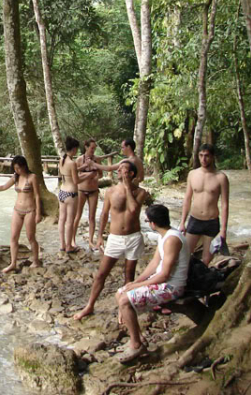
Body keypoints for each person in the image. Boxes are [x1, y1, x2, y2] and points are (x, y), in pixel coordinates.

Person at [73, 160, 149, 320]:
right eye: (119, 169)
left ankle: (124, 308)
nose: (119, 171)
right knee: (101, 274)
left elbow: (134, 210)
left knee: (129, 275)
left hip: (133, 237)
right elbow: (104, 214)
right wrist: (99, 236)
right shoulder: (110, 191)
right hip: (115, 238)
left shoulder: (140, 192)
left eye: (123, 169)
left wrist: (128, 187)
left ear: (131, 174)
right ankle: (90, 305)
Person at [115, 204, 190, 363]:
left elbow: (164, 275)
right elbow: (154, 264)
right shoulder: (164, 236)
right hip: (162, 282)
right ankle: (138, 339)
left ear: (153, 223)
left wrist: (135, 287)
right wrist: (135, 282)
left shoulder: (172, 239)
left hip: (171, 287)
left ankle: (136, 345)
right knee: (120, 292)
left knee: (124, 300)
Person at [0, 155, 42, 272]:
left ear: (24, 166)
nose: (16, 170)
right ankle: (13, 263)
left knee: (30, 237)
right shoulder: (15, 177)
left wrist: (38, 213)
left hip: (29, 211)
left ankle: (36, 261)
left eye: (18, 168)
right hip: (17, 210)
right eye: (14, 168)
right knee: (13, 237)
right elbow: (3, 187)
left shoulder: (32, 177)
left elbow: (37, 196)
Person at [179, 144, 230, 266]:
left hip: (211, 221)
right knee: (185, 255)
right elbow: (187, 199)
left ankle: (201, 281)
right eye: (201, 156)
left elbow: (224, 204)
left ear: (212, 157)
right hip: (195, 219)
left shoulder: (221, 177)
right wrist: (182, 222)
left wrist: (223, 230)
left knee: (206, 260)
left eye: (207, 156)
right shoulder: (192, 174)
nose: (203, 159)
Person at [72, 139, 106, 248]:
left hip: (93, 190)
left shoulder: (97, 159)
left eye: (94, 148)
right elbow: (74, 173)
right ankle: (72, 240)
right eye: (92, 148)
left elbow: (100, 174)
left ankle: (91, 240)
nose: (93, 150)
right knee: (78, 215)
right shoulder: (79, 159)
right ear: (86, 147)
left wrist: (96, 177)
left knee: (92, 216)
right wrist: (86, 170)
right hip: (81, 190)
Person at [58, 137, 80, 253]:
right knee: (70, 221)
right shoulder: (72, 163)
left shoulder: (61, 160)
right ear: (74, 149)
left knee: (61, 219)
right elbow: (76, 181)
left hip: (62, 192)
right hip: (71, 193)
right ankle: (69, 246)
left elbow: (67, 175)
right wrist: (87, 176)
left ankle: (62, 245)